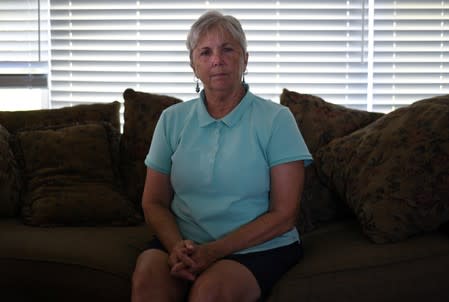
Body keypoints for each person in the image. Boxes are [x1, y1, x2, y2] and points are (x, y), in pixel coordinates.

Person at [131, 10, 312, 302]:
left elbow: (284, 214)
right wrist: (177, 246)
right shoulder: (171, 120)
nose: (217, 59)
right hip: (184, 243)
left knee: (209, 293)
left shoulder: (277, 119)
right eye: (205, 52)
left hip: (258, 246)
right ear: (194, 65)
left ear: (245, 59)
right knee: (147, 278)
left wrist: (212, 252)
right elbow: (153, 202)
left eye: (228, 48)